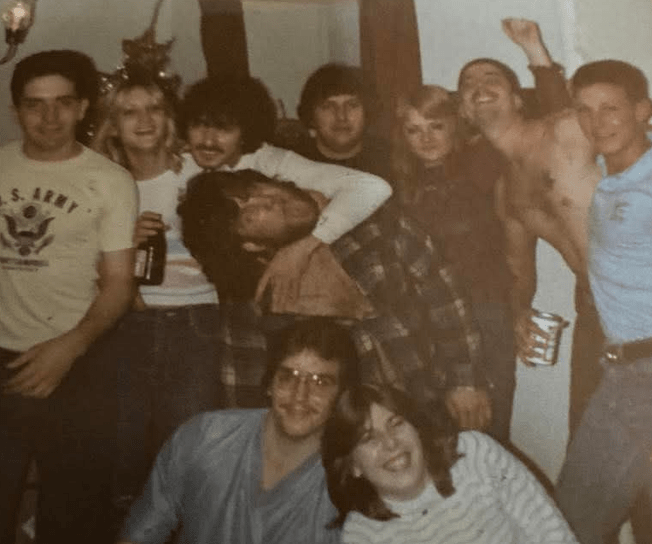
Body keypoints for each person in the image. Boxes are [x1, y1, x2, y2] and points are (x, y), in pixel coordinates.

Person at [178, 168, 491, 430]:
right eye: (248, 214)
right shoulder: (255, 300)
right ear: (251, 246)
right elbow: (249, 403)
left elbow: (444, 296)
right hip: (344, 440)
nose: (268, 200)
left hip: (434, 405)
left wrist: (466, 382)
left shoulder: (372, 224)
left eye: (253, 189)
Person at [0, 50, 137, 543]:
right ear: (16, 109)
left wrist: (70, 347)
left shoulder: (111, 181)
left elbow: (119, 283)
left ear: (82, 108)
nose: (49, 117)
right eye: (34, 104)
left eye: (62, 103)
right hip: (2, 357)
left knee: (72, 518)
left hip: (78, 360)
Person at [457, 19, 604, 433]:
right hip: (594, 307)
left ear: (518, 100)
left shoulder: (565, 130)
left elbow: (618, 118)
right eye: (468, 83)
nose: (479, 85)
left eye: (492, 77)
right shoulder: (507, 193)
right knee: (590, 438)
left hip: (642, 289)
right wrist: (519, 311)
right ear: (464, 111)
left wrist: (535, 52)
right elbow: (518, 270)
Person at [91, 69, 218, 504]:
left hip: (198, 319)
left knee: (187, 444)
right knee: (126, 446)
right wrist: (122, 241)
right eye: (129, 112)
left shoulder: (196, 172)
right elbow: (83, 268)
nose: (144, 120)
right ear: (113, 125)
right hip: (129, 321)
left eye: (154, 109)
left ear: (169, 119)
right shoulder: (105, 185)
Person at [117, 318, 360, 544]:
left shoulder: (350, 479)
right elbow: (140, 533)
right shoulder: (204, 438)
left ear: (341, 396)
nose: (300, 394)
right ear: (269, 383)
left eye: (320, 382)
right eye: (288, 376)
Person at [178, 76, 392, 304]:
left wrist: (303, 247)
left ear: (245, 132)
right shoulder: (178, 162)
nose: (208, 140)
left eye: (224, 128)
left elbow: (373, 187)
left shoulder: (272, 162)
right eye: (198, 125)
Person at [555, 60, 652, 544]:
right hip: (622, 367)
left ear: (643, 111)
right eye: (585, 110)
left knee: (567, 526)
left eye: (610, 108)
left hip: (642, 376)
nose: (597, 122)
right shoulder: (608, 181)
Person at [392, 84, 515, 444]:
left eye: (436, 126)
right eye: (413, 130)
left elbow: (540, 121)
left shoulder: (483, 164)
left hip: (484, 314)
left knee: (485, 436)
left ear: (455, 124)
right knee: (432, 438)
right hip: (423, 323)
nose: (426, 138)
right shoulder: (398, 184)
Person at [321, 384, 578, 544]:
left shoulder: (475, 454)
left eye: (396, 424)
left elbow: (552, 533)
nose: (391, 443)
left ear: (416, 428)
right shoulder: (363, 535)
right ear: (352, 466)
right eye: (369, 438)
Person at [296, 63, 393, 180]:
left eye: (352, 105)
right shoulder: (291, 163)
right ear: (311, 115)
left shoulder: (392, 162)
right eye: (328, 106)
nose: (341, 116)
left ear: (368, 111)